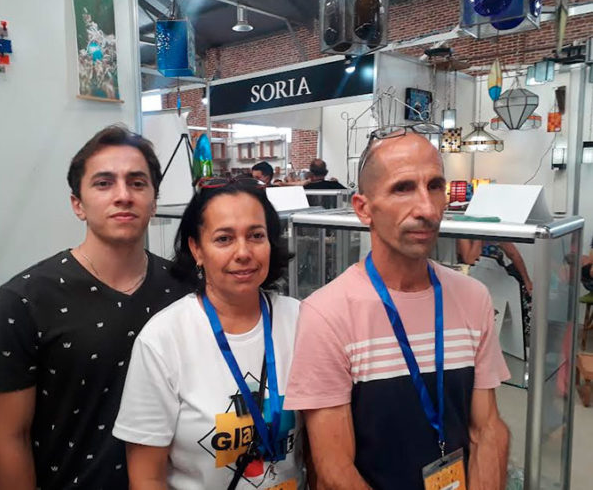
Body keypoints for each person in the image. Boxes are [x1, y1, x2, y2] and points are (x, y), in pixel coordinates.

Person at [284, 131, 510, 489]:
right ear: (363, 209)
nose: (427, 209)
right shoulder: (327, 314)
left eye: (434, 186)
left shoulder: (473, 298)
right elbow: (333, 468)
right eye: (403, 188)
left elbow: (487, 429)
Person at [0, 125, 192, 490]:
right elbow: (9, 438)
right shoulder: (26, 300)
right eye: (104, 183)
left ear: (154, 201)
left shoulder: (183, 289)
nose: (123, 195)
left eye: (137, 183)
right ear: (78, 204)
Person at [114, 179, 309, 489]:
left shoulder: (300, 320)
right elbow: (147, 477)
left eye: (256, 236)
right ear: (197, 249)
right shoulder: (163, 339)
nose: (243, 252)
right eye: (224, 239)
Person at [458, 239, 533, 339]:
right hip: (475, 281)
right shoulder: (465, 237)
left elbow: (514, 255)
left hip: (497, 280)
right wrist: (478, 239)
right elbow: (470, 259)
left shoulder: (495, 236)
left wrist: (526, 280)